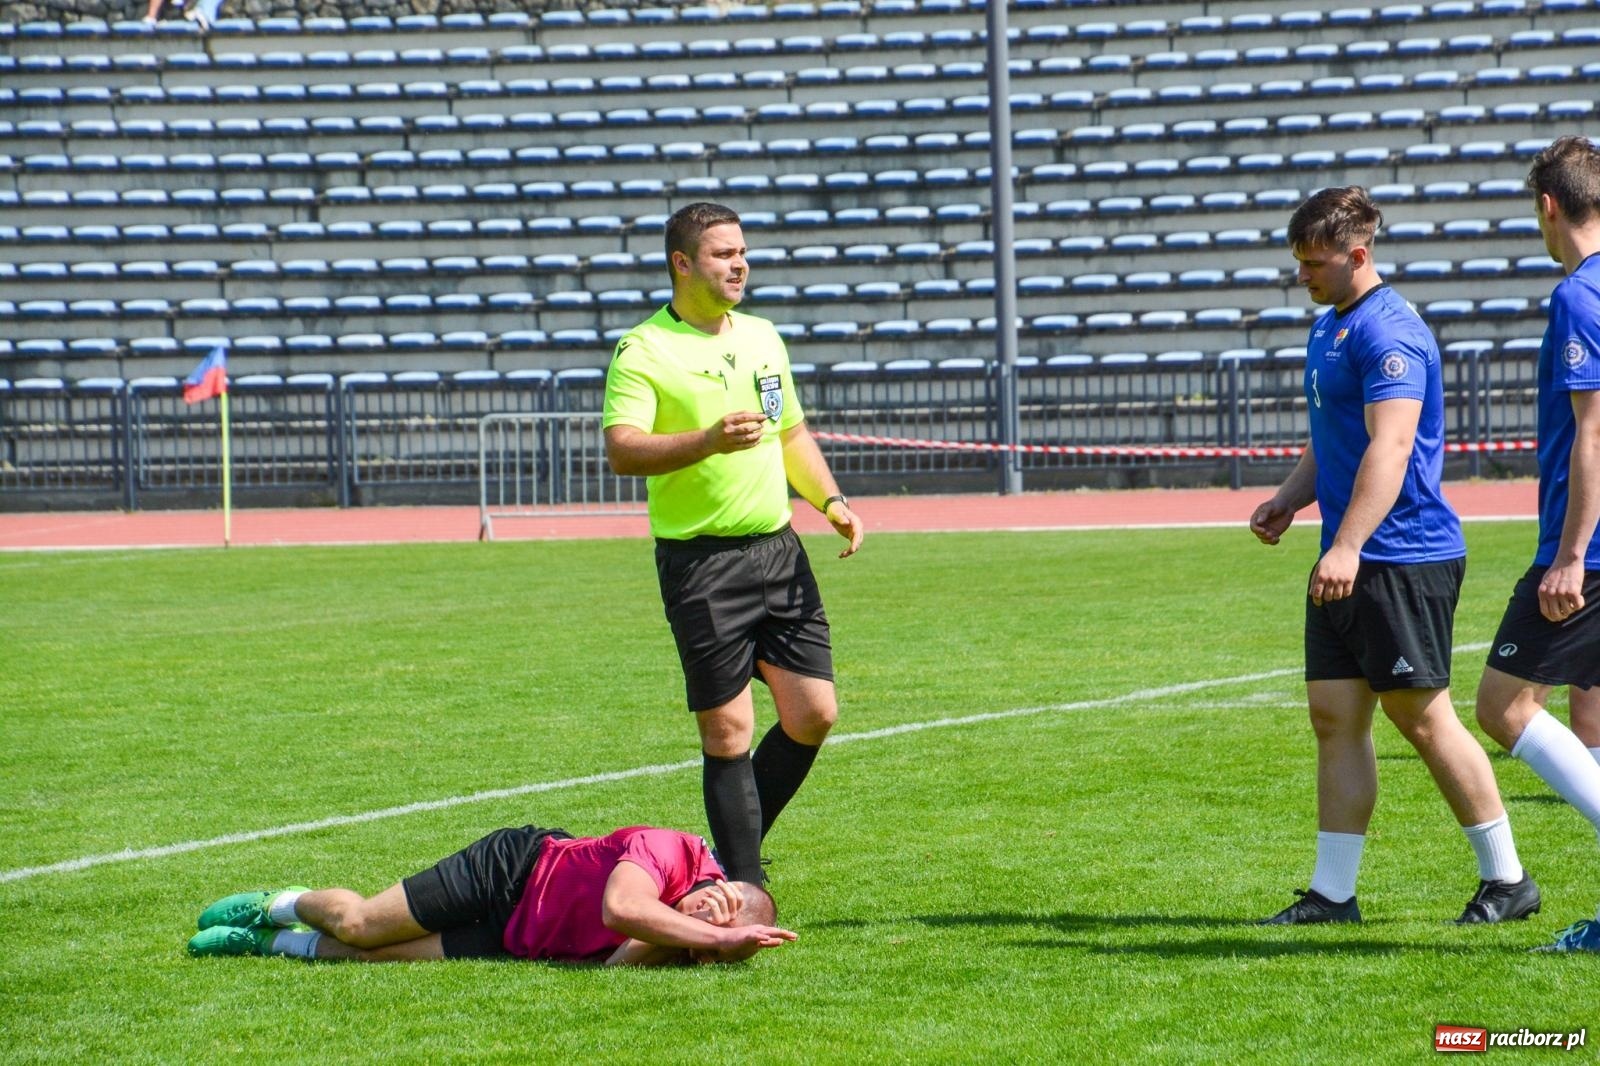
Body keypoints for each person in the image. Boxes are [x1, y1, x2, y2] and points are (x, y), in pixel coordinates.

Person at [1249, 185, 1539, 925]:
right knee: (1334, 715)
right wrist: (1290, 498)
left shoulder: (1391, 331)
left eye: (1315, 263)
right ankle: (1333, 893)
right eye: (1299, 263)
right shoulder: (1331, 327)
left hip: (1401, 555)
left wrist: (1348, 544)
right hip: (1349, 556)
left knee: (1422, 716)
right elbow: (1336, 439)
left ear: (1358, 254)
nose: (1304, 275)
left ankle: (1507, 879)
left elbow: (1393, 443)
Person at [602, 202, 864, 885]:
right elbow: (624, 451)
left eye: (742, 251)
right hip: (702, 564)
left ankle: (721, 857)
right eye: (722, 254)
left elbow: (789, 435)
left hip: (778, 551)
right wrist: (708, 440)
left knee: (814, 712)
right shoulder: (643, 350)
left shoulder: (763, 338)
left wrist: (829, 500)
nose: (739, 263)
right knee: (727, 734)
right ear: (682, 264)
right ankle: (742, 886)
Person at [1473, 134, 1600, 953]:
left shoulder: (1578, 297)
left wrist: (1569, 556)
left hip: (1590, 551)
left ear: (1548, 207)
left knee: (1504, 707)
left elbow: (1594, 432)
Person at [186, 823, 793, 965]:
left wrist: (708, 943)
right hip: (511, 869)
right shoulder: (672, 850)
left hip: (518, 937)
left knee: (372, 958)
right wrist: (721, 934)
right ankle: (276, 903)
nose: (703, 932)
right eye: (715, 918)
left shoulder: (682, 941)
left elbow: (615, 964)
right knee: (361, 927)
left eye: (706, 951)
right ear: (722, 887)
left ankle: (264, 945)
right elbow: (621, 909)